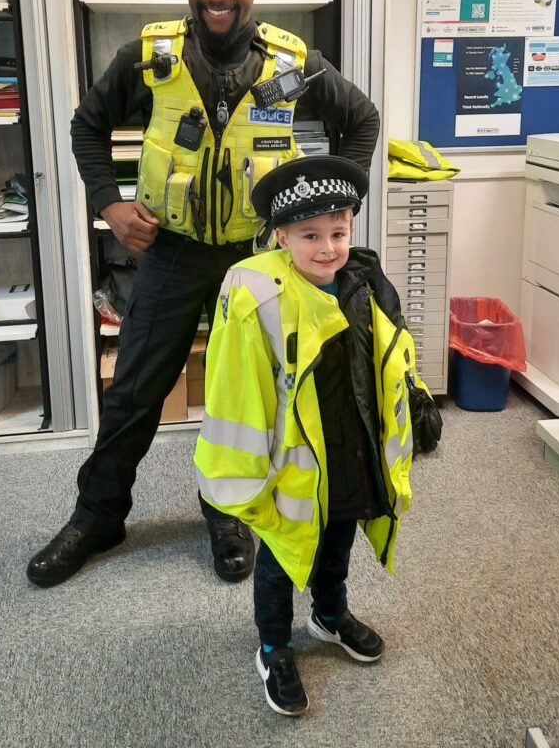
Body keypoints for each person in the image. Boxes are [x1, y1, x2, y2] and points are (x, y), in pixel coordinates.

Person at [26, 0, 380, 588]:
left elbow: (360, 120)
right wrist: (109, 202)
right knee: (134, 391)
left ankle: (228, 510)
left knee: (245, 397)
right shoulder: (148, 56)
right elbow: (86, 126)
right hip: (172, 252)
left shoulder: (293, 63)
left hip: (256, 260)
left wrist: (333, 208)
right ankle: (98, 514)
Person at [194, 156, 429, 716]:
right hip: (292, 461)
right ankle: (273, 645)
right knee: (282, 556)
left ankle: (329, 614)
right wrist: (248, 480)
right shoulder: (257, 294)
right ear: (280, 235)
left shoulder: (364, 284)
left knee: (339, 539)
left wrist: (413, 402)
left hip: (350, 445)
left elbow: (388, 358)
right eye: (309, 235)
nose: (327, 248)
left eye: (339, 232)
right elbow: (236, 390)